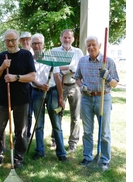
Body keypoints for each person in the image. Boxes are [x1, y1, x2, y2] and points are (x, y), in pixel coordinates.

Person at [0, 29, 36, 169]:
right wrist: (2, 68)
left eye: (13, 40)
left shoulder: (26, 55)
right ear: (4, 42)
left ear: (18, 40)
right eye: (7, 41)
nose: (10, 43)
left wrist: (15, 77)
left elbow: (32, 76)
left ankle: (18, 158)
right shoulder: (0, 57)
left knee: (21, 130)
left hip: (21, 98)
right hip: (3, 98)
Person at [74, 35, 119, 171]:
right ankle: (87, 157)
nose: (91, 47)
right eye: (88, 45)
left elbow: (115, 83)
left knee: (104, 132)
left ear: (99, 46)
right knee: (87, 131)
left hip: (103, 98)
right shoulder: (82, 61)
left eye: (94, 45)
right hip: (87, 99)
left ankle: (105, 160)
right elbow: (77, 78)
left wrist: (108, 77)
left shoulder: (108, 62)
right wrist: (81, 86)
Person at [29, 33, 67, 162]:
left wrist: (61, 97)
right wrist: (39, 85)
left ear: (43, 44)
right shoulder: (29, 59)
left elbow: (57, 78)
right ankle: (40, 151)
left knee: (56, 124)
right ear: (31, 45)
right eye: (34, 43)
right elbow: (31, 78)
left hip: (52, 92)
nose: (36, 45)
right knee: (38, 124)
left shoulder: (51, 58)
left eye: (39, 43)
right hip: (36, 92)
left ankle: (61, 153)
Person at [52, 29, 84, 153]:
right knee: (57, 113)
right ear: (61, 38)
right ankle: (55, 140)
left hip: (74, 85)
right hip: (60, 86)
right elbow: (53, 66)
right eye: (64, 37)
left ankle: (73, 143)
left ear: (73, 39)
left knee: (75, 116)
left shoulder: (78, 52)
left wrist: (69, 69)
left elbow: (79, 68)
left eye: (69, 38)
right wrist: (69, 68)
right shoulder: (55, 51)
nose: (67, 40)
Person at [19, 31, 34, 140]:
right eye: (23, 40)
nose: (25, 41)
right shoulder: (18, 53)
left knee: (29, 113)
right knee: (21, 112)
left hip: (34, 87)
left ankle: (27, 134)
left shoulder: (37, 53)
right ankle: (19, 134)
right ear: (20, 41)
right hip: (21, 87)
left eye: (27, 39)